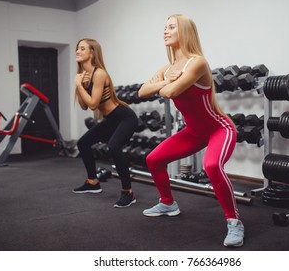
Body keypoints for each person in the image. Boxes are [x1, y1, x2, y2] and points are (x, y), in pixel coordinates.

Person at [138, 15, 244, 247]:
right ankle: (168, 203)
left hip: (219, 128)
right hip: (194, 132)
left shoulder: (197, 63)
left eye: (171, 27)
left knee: (212, 165)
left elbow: (170, 93)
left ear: (185, 31)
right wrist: (165, 79)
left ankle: (234, 222)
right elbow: (142, 92)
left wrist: (164, 83)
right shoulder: (168, 68)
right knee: (153, 159)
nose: (165, 31)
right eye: (164, 27)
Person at [73, 38, 138, 208]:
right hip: (111, 119)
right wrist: (81, 85)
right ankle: (93, 182)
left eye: (82, 48)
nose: (78, 51)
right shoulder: (84, 76)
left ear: (92, 53)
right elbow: (83, 105)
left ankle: (128, 193)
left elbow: (93, 104)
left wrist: (79, 86)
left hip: (124, 117)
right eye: (77, 49)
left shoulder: (99, 73)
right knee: (83, 143)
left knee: (114, 147)